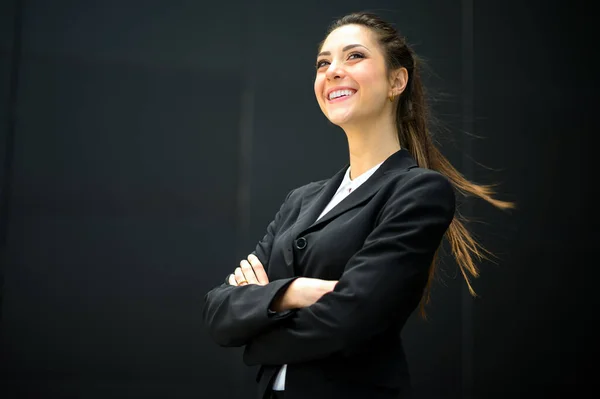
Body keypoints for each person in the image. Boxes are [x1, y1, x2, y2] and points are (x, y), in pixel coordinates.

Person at [202, 11, 512, 399]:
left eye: (354, 56)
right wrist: (294, 291)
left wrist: (259, 325)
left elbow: (351, 318)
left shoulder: (418, 191)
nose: (332, 70)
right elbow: (218, 311)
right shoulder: (301, 200)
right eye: (323, 62)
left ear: (396, 81)